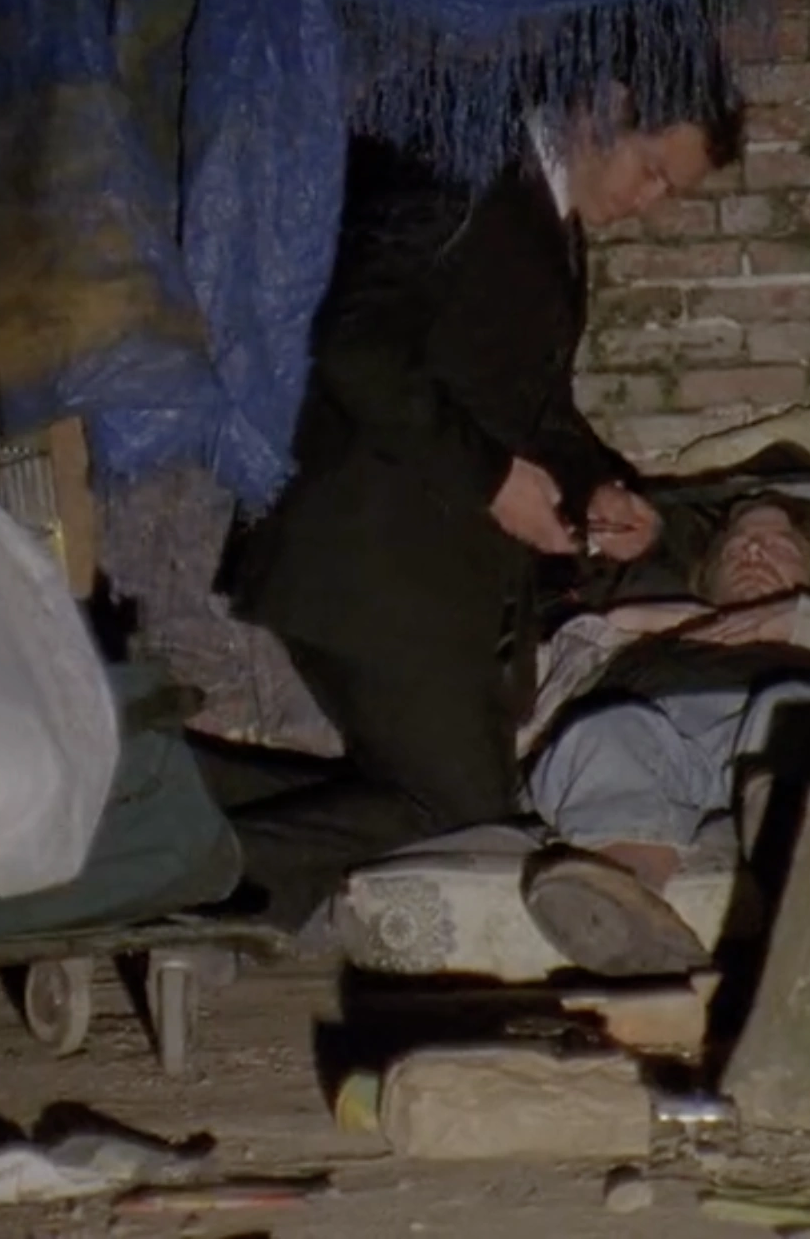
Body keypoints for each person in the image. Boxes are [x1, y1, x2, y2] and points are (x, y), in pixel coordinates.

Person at [212, 54, 744, 930]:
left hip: (429, 575)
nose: (649, 203)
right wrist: (492, 481)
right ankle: (154, 864)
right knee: (459, 825)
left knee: (452, 811)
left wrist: (596, 486)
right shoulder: (462, 165)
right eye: (652, 170)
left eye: (668, 191)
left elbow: (530, 409)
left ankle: (148, 806)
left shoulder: (550, 220)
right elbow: (353, 345)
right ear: (608, 104)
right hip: (362, 558)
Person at [516, 497, 810, 975]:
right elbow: (527, 721)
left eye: (779, 546)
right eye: (736, 548)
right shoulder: (630, 636)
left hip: (779, 744)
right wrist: (624, 623)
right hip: (659, 750)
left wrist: (803, 620)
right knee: (605, 728)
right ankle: (633, 907)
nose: (752, 553)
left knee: (791, 709)